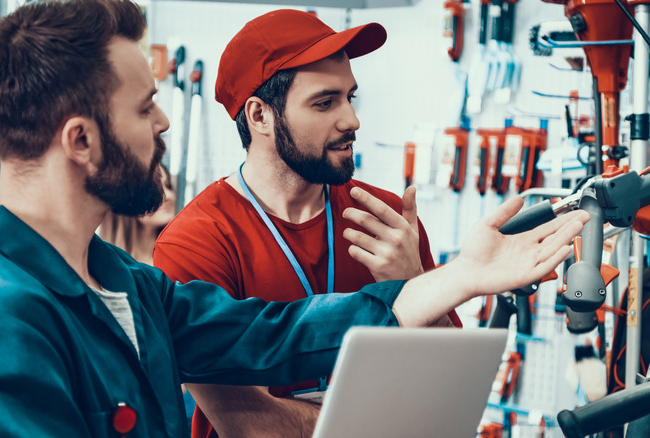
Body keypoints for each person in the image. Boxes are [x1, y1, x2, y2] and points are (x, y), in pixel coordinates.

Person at [0, 0, 588, 436]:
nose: (165, 122)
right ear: (81, 140)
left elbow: (270, 335)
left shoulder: (124, 281)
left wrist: (455, 277)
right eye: (145, 106)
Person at [152, 10, 460, 438]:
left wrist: (413, 282)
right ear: (260, 116)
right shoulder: (197, 241)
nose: (352, 120)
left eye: (350, 97)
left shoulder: (385, 220)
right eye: (324, 102)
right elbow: (249, 423)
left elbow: (449, 384)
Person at [100, 164, 176, 265]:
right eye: (155, 189)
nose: (169, 196)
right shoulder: (102, 267)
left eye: (168, 186)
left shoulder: (177, 261)